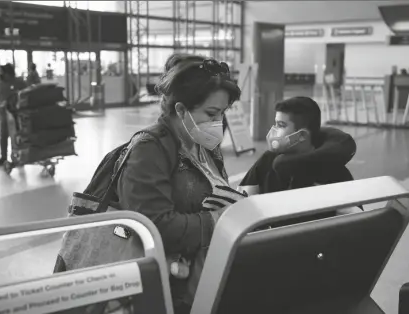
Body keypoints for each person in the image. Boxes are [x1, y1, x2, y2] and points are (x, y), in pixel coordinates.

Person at [114, 53, 246, 314]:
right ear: (181, 109)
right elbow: (153, 226)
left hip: (201, 276)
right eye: (211, 113)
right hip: (167, 288)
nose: (218, 123)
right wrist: (219, 220)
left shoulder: (205, 146)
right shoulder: (150, 149)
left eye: (222, 114)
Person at [237, 96, 357, 195]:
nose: (273, 131)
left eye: (281, 125)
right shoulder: (267, 161)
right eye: (275, 124)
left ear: (302, 136)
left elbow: (351, 219)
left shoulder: (334, 173)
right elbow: (242, 202)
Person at [0, 63, 27, 166]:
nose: (2, 75)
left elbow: (26, 93)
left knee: (16, 135)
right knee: (3, 136)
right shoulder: (0, 84)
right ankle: (3, 157)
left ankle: (18, 155)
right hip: (4, 113)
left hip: (16, 114)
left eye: (4, 73)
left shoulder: (19, 82)